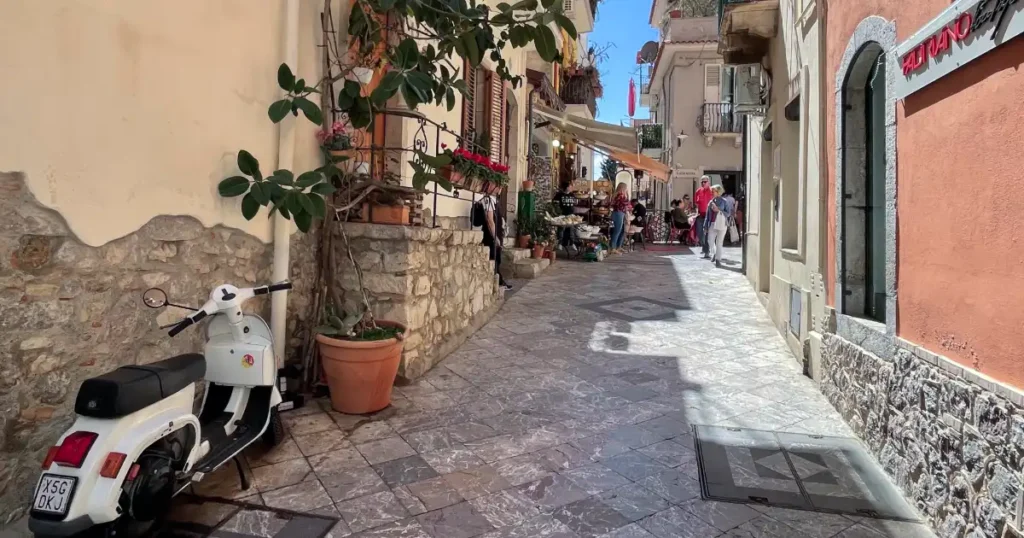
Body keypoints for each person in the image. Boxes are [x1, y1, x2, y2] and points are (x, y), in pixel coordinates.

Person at [481, 194, 512, 290]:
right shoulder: (488, 200)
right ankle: (498, 282)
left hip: (496, 234)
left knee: (497, 258)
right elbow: (490, 220)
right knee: (494, 258)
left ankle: (499, 281)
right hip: (491, 236)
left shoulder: (494, 200)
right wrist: (496, 237)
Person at [704, 185, 733, 268]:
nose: (712, 193)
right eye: (712, 191)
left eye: (714, 191)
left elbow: (728, 214)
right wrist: (705, 226)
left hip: (722, 223)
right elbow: (707, 215)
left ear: (718, 192)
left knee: (719, 243)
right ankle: (713, 253)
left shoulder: (724, 201)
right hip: (712, 224)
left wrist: (719, 210)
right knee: (710, 241)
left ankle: (718, 259)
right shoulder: (710, 202)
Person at [554, 182, 581, 252]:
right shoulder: (559, 195)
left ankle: (572, 243)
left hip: (571, 215)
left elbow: (575, 203)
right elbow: (554, 203)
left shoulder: (572, 195)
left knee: (572, 230)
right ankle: (560, 243)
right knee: (561, 229)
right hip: (562, 215)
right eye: (570, 186)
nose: (572, 188)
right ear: (566, 187)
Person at [693, 176, 714, 259]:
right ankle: (704, 247)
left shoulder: (712, 191)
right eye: (702, 182)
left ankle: (707, 251)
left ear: (708, 182)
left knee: (707, 233)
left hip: (709, 215)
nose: (703, 183)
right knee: (699, 233)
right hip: (700, 214)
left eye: (705, 182)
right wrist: (696, 212)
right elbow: (697, 203)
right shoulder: (698, 191)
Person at [609, 182, 632, 254]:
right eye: (626, 188)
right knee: (617, 231)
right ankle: (613, 248)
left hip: (620, 214)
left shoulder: (620, 195)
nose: (627, 190)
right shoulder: (619, 195)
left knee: (622, 231)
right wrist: (627, 196)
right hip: (618, 214)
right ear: (623, 188)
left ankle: (618, 247)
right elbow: (626, 203)